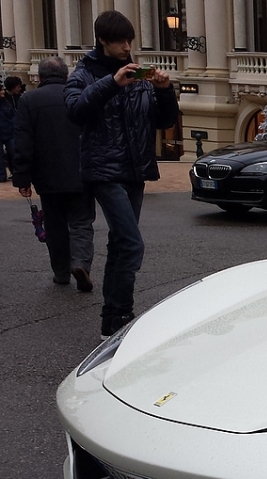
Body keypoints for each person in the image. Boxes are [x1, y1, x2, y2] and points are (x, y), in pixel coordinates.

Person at [65, 10, 179, 337]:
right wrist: (112, 83)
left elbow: (163, 122)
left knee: (119, 244)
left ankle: (111, 323)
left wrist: (164, 89)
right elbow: (75, 110)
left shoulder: (138, 74)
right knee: (131, 244)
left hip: (135, 169)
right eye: (120, 41)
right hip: (103, 170)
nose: (127, 47)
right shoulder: (85, 73)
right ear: (103, 40)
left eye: (130, 40)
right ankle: (123, 315)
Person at [13, 56, 97, 291]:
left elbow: (23, 141)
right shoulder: (79, 96)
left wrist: (22, 177)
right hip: (81, 171)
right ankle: (81, 263)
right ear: (66, 75)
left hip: (47, 175)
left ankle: (61, 272)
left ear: (39, 77)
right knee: (81, 223)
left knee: (55, 225)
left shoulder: (28, 100)